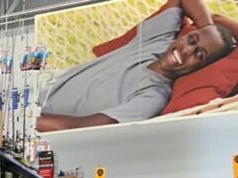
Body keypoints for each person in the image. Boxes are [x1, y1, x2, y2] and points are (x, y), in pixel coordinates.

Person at [37, 0, 237, 131]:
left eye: (199, 55)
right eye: (191, 41)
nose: (187, 50)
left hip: (35, 116)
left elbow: (85, 126)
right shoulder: (156, 40)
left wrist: (25, 122)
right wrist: (209, 26)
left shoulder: (152, 97)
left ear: (200, 68)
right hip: (39, 82)